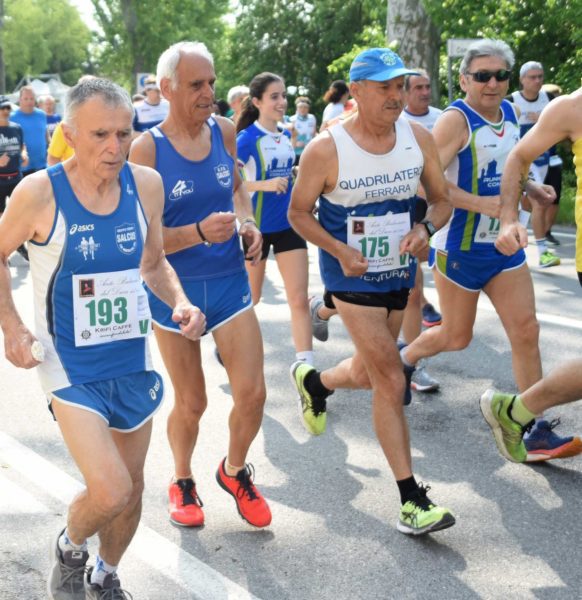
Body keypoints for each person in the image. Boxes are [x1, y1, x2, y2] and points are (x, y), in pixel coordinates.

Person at [0, 77, 205, 599]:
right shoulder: (40, 191)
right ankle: (71, 548)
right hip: (68, 365)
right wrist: (13, 328)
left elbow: (154, 264)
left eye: (123, 133)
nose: (114, 147)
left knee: (131, 491)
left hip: (130, 360)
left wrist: (179, 301)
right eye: (99, 136)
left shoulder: (146, 186)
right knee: (110, 488)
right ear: (68, 133)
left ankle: (105, 574)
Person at [288, 48, 455, 535]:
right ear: (356, 91)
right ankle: (410, 500)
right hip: (350, 274)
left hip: (398, 271)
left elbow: (441, 201)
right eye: (384, 87)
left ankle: (314, 383)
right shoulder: (326, 148)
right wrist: (338, 249)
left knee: (367, 369)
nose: (396, 96)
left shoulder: (417, 137)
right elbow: (298, 213)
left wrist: (424, 228)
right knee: (390, 377)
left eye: (400, 85)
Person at [399, 39, 582, 461]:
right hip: (461, 244)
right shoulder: (454, 121)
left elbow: (506, 167)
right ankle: (404, 358)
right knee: (455, 336)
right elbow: (429, 186)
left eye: (500, 75)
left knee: (526, 330)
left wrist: (530, 188)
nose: (492, 83)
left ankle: (532, 425)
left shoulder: (512, 113)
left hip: (504, 242)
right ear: (464, 80)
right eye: (482, 76)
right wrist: (488, 206)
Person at [129, 42, 272, 530]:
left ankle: (233, 472)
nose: (208, 93)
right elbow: (141, 242)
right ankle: (182, 479)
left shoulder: (225, 131)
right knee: (192, 402)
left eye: (211, 82)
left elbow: (236, 190)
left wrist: (248, 224)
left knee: (253, 394)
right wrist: (194, 233)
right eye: (196, 84)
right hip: (174, 293)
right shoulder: (147, 149)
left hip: (230, 282)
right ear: (167, 88)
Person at [480, 86, 582, 462]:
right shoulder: (571, 108)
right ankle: (518, 412)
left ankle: (516, 411)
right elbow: (519, 157)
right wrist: (508, 219)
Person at [236, 73, 314, 368]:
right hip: (256, 230)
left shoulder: (285, 135)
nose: (282, 102)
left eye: (283, 96)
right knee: (251, 299)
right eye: (274, 97)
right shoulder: (245, 140)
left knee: (298, 299)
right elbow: (232, 186)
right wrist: (265, 185)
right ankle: (229, 346)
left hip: (288, 227)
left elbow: (288, 175)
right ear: (257, 102)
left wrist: (298, 188)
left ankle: (306, 369)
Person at [509, 61, 560, 267]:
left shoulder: (549, 100)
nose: (537, 81)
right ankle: (543, 252)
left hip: (548, 159)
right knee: (538, 203)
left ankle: (516, 241)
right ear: (522, 80)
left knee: (533, 205)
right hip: (526, 162)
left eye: (540, 76)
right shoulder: (512, 101)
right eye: (532, 77)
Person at [0, 95, 28, 217]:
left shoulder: (17, 128)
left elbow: (22, 146)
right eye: (2, 108)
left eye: (8, 108)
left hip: (16, 177)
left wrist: (24, 154)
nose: (6, 111)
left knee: (19, 213)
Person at [10, 85, 48, 176]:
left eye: (31, 98)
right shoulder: (11, 117)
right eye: (26, 98)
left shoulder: (42, 115)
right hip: (22, 167)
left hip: (42, 165)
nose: (29, 101)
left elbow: (46, 135)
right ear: (20, 100)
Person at [289, 96, 317, 166]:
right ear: (297, 108)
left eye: (305, 107)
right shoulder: (292, 119)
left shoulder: (312, 118)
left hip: (309, 152)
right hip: (296, 153)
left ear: (308, 108)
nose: (302, 109)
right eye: (300, 107)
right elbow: (287, 137)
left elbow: (314, 133)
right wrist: (295, 143)